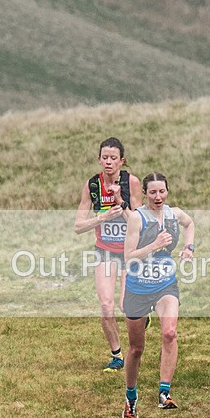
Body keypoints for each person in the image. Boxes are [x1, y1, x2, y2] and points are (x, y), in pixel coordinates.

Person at [121, 172, 195, 418]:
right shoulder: (137, 218)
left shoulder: (174, 214)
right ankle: (131, 398)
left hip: (165, 285)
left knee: (170, 333)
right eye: (152, 192)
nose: (158, 196)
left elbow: (190, 224)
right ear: (145, 194)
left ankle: (164, 393)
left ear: (167, 192)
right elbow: (129, 256)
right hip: (138, 288)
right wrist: (154, 244)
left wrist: (189, 248)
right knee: (136, 349)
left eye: (162, 191)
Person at [74, 137, 141, 372]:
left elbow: (139, 222)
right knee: (105, 305)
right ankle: (117, 355)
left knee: (126, 307)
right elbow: (78, 226)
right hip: (104, 252)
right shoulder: (92, 185)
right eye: (105, 158)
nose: (109, 162)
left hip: (129, 252)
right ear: (99, 160)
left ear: (122, 160)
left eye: (113, 158)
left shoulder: (131, 182)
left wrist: (121, 205)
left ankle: (141, 316)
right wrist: (102, 217)